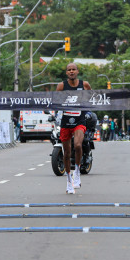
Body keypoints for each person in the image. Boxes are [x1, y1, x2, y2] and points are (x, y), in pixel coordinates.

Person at [55, 63, 92, 194]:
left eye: (73, 69)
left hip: (79, 120)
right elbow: (54, 101)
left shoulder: (84, 85)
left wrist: (87, 110)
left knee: (77, 145)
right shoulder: (61, 86)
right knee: (67, 152)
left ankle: (77, 172)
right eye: (69, 70)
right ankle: (69, 180)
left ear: (77, 71)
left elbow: (92, 98)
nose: (71, 71)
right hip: (66, 121)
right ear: (66, 73)